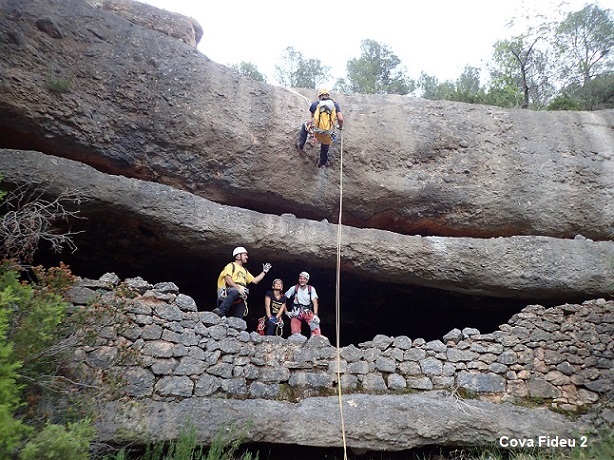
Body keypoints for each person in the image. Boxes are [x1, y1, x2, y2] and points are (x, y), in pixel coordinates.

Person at [213, 246, 271, 318]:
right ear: (238, 256)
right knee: (234, 291)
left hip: (239, 295)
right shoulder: (231, 266)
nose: (247, 257)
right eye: (245, 255)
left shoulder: (244, 270)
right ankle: (220, 312)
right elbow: (228, 279)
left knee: (239, 316)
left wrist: (264, 272)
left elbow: (255, 281)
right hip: (228, 292)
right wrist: (238, 288)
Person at [295, 88, 344, 168]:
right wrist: (340, 127)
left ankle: (300, 144)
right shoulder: (335, 105)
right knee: (325, 146)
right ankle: (322, 162)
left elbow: (312, 117)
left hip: (316, 132)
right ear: (328, 96)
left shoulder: (315, 104)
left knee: (304, 126)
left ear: (319, 96)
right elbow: (341, 119)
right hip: (328, 133)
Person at [285, 271, 321, 337]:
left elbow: (315, 302)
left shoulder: (311, 289)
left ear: (307, 280)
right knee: (295, 332)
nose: (302, 280)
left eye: (304, 279)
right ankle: (297, 343)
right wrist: (286, 311)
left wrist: (315, 315)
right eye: (300, 278)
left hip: (307, 312)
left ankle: (316, 342)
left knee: (315, 327)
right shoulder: (294, 288)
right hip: (296, 312)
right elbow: (283, 299)